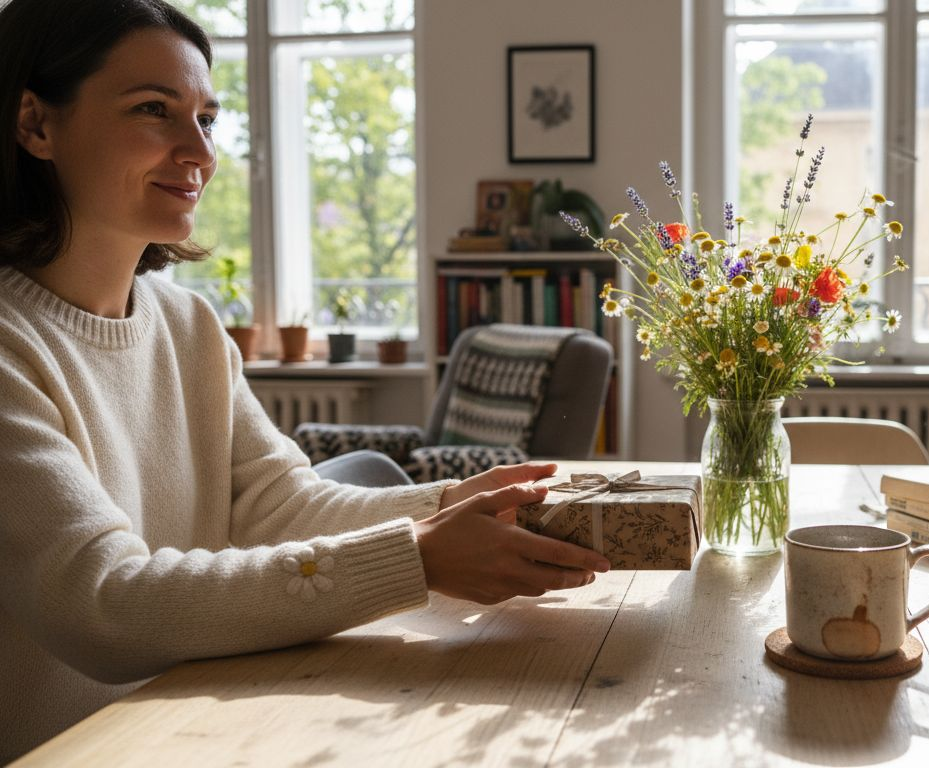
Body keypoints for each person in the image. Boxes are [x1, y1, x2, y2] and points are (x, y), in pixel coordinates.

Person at [0, 0, 610, 760]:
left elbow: (279, 505)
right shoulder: (10, 348)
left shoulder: (188, 327)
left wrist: (453, 503)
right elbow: (104, 603)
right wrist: (419, 557)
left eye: (208, 119)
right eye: (154, 110)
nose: (199, 151)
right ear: (35, 124)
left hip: (202, 724)